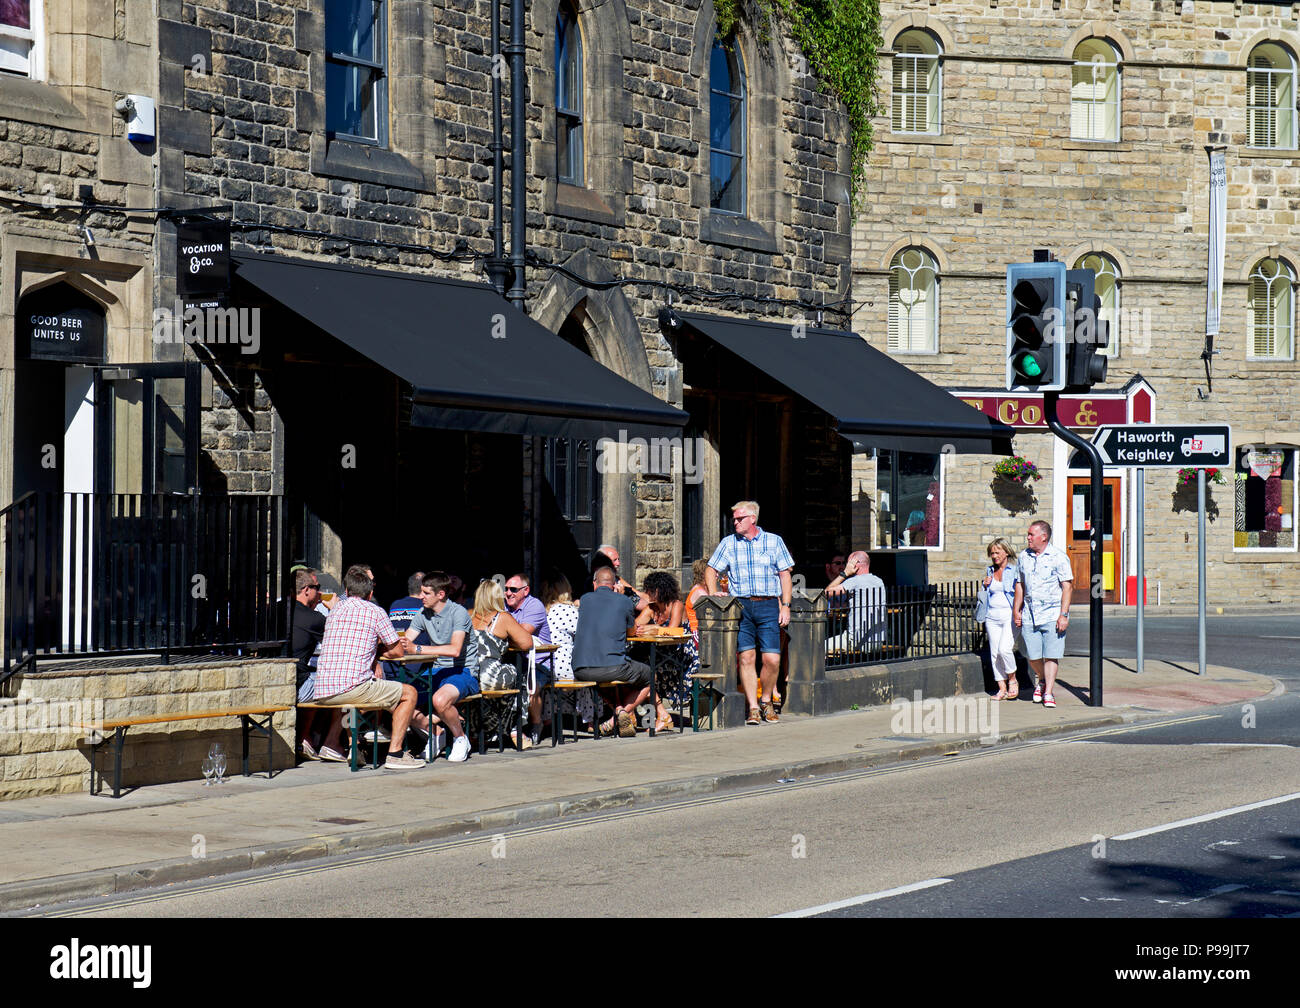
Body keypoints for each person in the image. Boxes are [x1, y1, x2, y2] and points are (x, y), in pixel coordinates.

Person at [311, 565, 425, 769]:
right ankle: (396, 753)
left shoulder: (336, 609)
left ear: (346, 592)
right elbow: (398, 652)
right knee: (409, 693)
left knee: (349, 693)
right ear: (371, 593)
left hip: (323, 689)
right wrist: (378, 652)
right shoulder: (375, 611)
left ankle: (339, 743)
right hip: (352, 688)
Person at [705, 499, 794, 726]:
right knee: (746, 657)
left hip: (768, 604)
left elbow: (785, 574)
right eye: (734, 518)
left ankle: (766, 701)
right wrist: (715, 594)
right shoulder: (729, 543)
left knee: (772, 659)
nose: (735, 522)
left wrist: (786, 605)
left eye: (739, 518)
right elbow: (711, 569)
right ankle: (753, 708)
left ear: (752, 519)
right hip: (741, 605)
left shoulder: (774, 541)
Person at [404, 571, 479, 763]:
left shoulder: (458, 612)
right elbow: (405, 642)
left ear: (441, 594)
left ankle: (460, 738)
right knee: (400, 699)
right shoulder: (423, 613)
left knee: (439, 700)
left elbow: (455, 650)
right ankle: (435, 732)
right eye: (421, 592)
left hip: (463, 671)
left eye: (426, 593)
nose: (421, 597)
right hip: (436, 670)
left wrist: (417, 649)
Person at [572, 566, 654, 737]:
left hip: (580, 669)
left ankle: (617, 709)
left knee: (601, 680)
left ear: (595, 583)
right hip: (614, 667)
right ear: (615, 584)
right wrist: (621, 595)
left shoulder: (585, 599)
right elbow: (631, 633)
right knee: (650, 676)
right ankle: (622, 713)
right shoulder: (623, 601)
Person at [471, 580, 539, 748]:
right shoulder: (502, 617)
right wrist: (507, 640)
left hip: (471, 674)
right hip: (490, 673)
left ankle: (477, 731)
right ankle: (516, 729)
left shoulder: (468, 615)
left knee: (488, 693)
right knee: (519, 678)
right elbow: (526, 643)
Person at [1014, 520, 1073, 709]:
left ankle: (1048, 692)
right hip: (1030, 614)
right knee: (1032, 655)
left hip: (1052, 613)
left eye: (1031, 534)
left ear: (1043, 536)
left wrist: (1063, 614)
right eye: (1028, 534)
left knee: (1051, 654)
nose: (1028, 537)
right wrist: (1017, 609)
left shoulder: (1058, 557)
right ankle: (1042, 680)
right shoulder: (1024, 556)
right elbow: (1020, 584)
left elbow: (1067, 587)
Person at [634, 571, 699, 733]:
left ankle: (659, 715)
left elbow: (672, 631)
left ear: (661, 590)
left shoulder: (676, 605)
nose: (648, 594)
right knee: (641, 668)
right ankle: (659, 714)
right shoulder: (652, 608)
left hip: (680, 654)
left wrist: (652, 628)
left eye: (651, 590)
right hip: (660, 654)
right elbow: (635, 626)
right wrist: (649, 628)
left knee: (648, 670)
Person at [289, 567, 341, 759]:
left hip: (280, 681)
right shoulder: (314, 618)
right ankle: (332, 743)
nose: (319, 592)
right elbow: (342, 639)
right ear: (306, 590)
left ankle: (307, 738)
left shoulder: (276, 612)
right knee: (345, 687)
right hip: (298, 685)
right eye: (317, 587)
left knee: (315, 678)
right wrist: (335, 610)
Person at [539, 574, 596, 732]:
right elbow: (585, 637)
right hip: (566, 667)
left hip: (545, 667)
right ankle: (590, 720)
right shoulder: (570, 611)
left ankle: (548, 719)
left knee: (550, 679)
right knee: (585, 674)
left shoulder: (542, 611)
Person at [504, 572, 552, 744]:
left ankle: (535, 724)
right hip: (514, 661)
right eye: (506, 589)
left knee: (532, 688)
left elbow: (521, 634)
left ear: (526, 590)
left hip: (538, 663)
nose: (508, 593)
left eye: (513, 589)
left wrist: (503, 627)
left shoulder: (535, 606)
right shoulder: (505, 606)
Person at [980, 538, 1024, 700]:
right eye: (992, 553)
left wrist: (1018, 613)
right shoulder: (990, 571)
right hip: (992, 617)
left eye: (997, 552)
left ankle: (1013, 679)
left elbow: (1021, 592)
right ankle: (1001, 688)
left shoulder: (1014, 570)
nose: (994, 556)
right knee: (994, 653)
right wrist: (985, 585)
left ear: (1006, 552)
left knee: (1004, 649)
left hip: (1009, 616)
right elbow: (987, 595)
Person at [825, 551, 887, 655]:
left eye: (848, 563)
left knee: (819, 646)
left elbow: (826, 593)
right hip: (877, 641)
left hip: (857, 640)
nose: (846, 566)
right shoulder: (879, 581)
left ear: (855, 564)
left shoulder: (854, 581)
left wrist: (844, 574)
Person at [683, 559, 709, 645]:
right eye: (714, 572)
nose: (717, 575)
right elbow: (713, 611)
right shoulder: (700, 592)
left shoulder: (702, 588)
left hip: (702, 630)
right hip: (696, 632)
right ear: (703, 574)